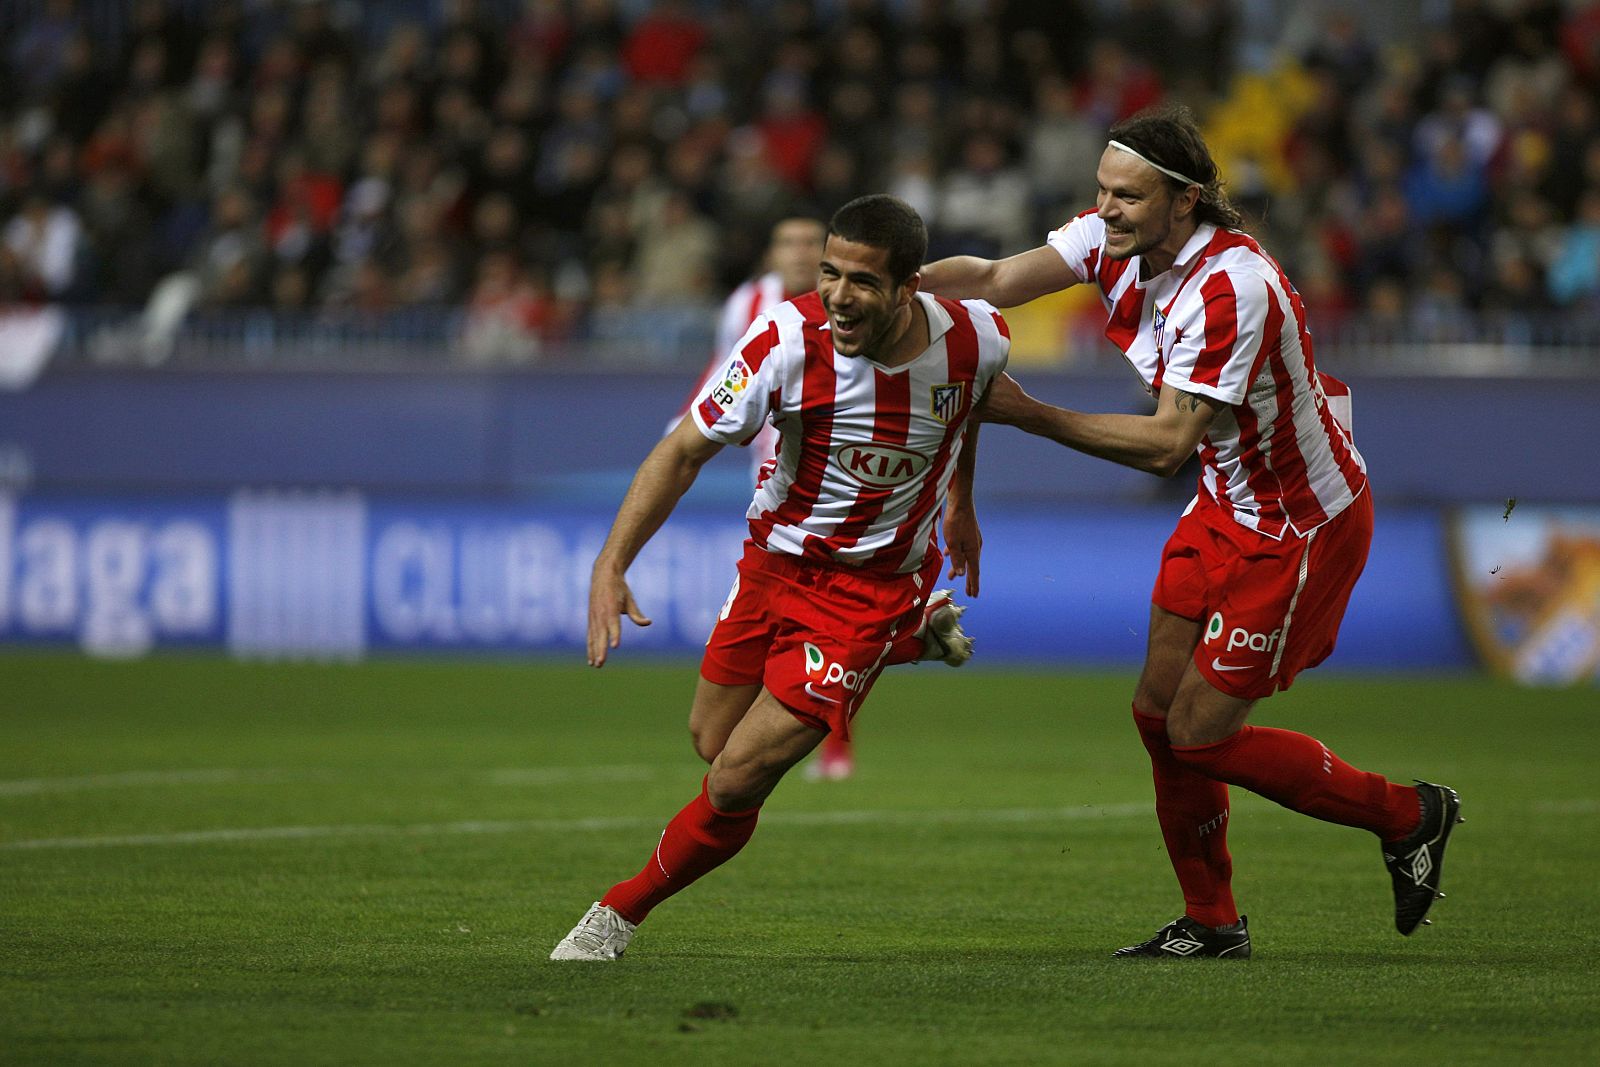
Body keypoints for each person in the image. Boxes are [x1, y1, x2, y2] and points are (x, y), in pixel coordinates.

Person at [920, 104, 1462, 959]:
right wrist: (890, 284)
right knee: (1154, 713)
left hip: (1297, 525)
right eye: (1102, 191)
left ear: (1186, 200)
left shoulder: (1232, 289)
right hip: (1224, 501)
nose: (1107, 209)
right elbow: (989, 280)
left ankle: (1410, 813)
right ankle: (1211, 919)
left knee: (1200, 733)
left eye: (1128, 196)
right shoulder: (1113, 239)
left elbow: (1168, 442)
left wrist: (1028, 413)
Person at [551, 194, 1008, 961]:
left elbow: (965, 414)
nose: (836, 295)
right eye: (829, 273)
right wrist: (611, 561)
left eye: (861, 281)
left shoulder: (979, 338)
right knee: (712, 739)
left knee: (735, 780)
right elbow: (682, 451)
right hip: (772, 566)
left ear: (909, 288)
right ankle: (912, 642)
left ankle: (617, 913)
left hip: (868, 590)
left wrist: (961, 502)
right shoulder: (783, 340)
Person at [672, 216, 861, 781]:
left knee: (833, 623)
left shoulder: (851, 304)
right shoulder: (747, 303)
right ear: (772, 253)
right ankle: (780, 729)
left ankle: (834, 746)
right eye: (788, 242)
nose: (799, 252)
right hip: (774, 485)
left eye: (810, 243)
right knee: (788, 622)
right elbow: (724, 370)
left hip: (840, 484)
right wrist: (687, 426)